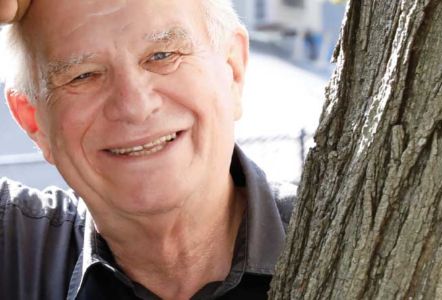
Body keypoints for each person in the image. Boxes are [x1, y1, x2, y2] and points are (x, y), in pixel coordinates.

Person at [0, 0, 296, 299]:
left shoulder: (334, 237)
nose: (134, 107)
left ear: (233, 71)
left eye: (162, 55)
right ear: (33, 120)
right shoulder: (16, 253)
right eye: (82, 75)